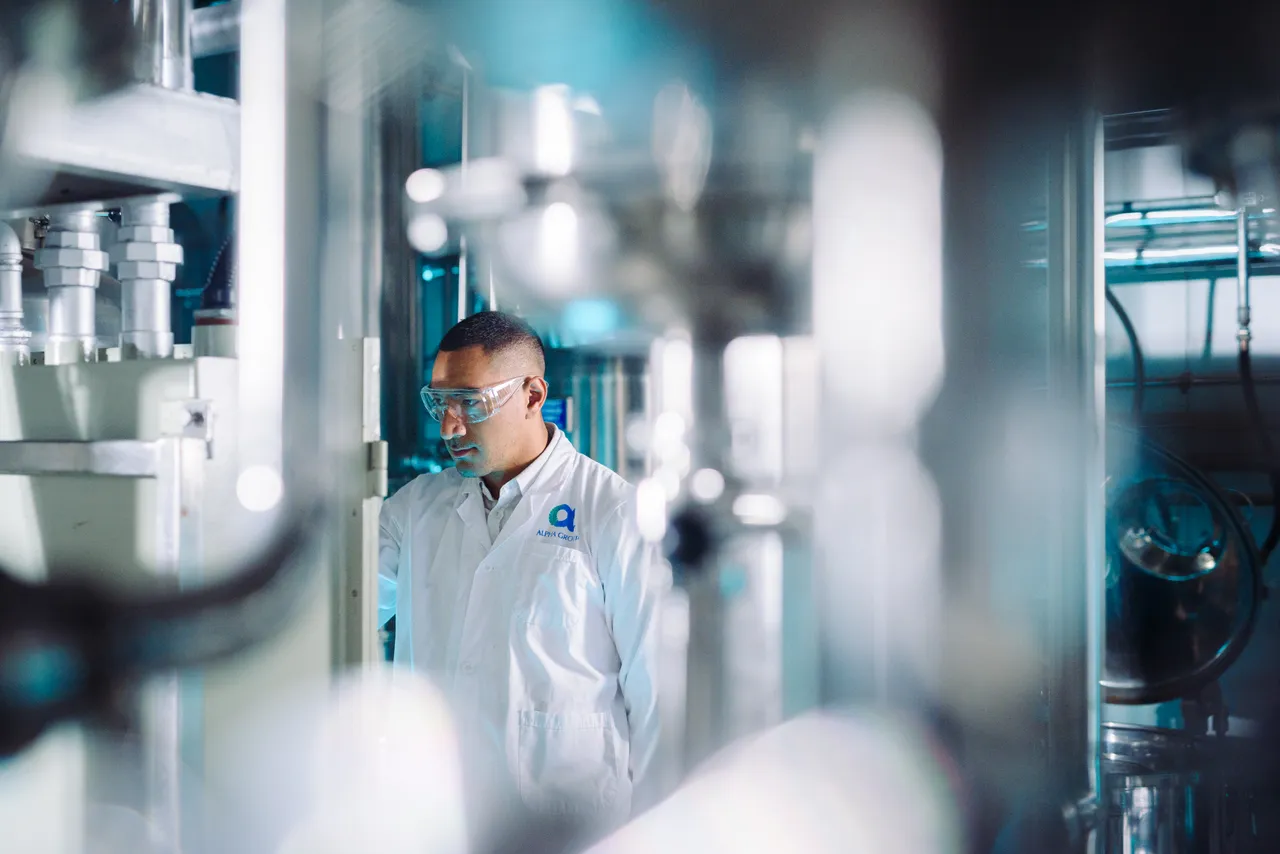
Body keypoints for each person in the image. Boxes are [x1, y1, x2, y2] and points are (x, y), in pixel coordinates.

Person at [377, 311, 665, 837]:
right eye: (439, 402)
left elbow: (657, 695)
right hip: (436, 823)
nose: (448, 427)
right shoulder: (415, 510)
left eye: (469, 402)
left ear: (532, 394)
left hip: (572, 828)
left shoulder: (612, 511)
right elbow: (339, 606)